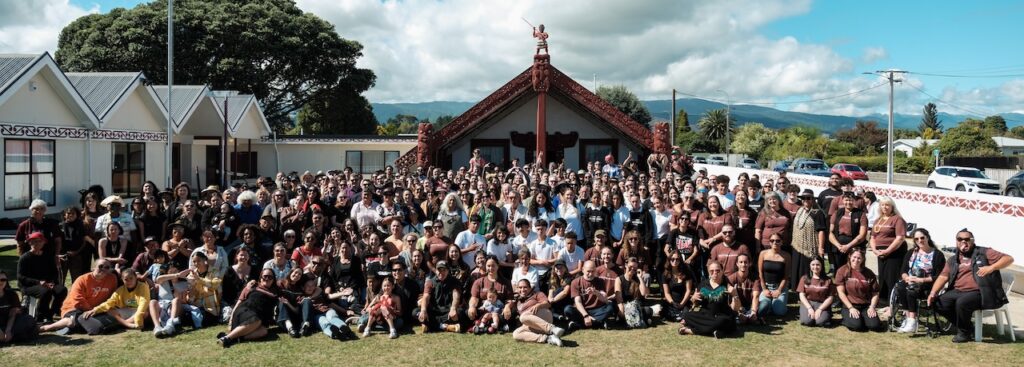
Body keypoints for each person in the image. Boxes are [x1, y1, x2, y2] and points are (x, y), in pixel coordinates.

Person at [927, 229, 1014, 343]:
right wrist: (933, 293)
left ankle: (964, 333)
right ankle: (967, 327)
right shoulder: (954, 259)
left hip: (980, 291)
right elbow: (943, 276)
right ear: (956, 241)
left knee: (962, 303)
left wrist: (991, 268)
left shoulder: (984, 252)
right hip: (958, 290)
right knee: (938, 303)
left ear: (973, 241)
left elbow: (1009, 259)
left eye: (967, 239)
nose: (964, 241)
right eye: (960, 239)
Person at [39, 260, 117, 335]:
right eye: (100, 266)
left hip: (95, 310)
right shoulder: (82, 279)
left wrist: (96, 310)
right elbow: (78, 299)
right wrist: (91, 310)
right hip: (75, 308)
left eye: (107, 267)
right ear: (93, 268)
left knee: (97, 320)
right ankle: (47, 327)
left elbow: (113, 296)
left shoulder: (112, 279)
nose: (103, 269)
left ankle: (71, 327)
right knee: (74, 320)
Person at [893, 228, 946, 333]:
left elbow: (939, 276)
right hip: (910, 280)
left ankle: (912, 321)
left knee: (911, 289)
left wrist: (921, 280)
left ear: (927, 237)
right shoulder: (911, 252)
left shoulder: (937, 255)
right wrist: (906, 278)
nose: (920, 240)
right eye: (916, 239)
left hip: (927, 283)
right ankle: (908, 318)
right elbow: (903, 270)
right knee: (901, 286)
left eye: (922, 238)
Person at [218, 268, 281, 347]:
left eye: (270, 277)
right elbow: (240, 301)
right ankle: (227, 338)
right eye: (265, 276)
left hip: (260, 316)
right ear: (260, 278)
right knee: (256, 321)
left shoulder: (275, 292)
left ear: (273, 279)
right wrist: (231, 319)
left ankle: (236, 338)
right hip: (245, 310)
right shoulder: (253, 286)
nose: (267, 279)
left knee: (263, 331)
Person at [79, 269, 150, 334]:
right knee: (110, 310)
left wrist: (138, 320)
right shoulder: (121, 290)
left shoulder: (143, 287)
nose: (129, 281)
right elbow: (109, 302)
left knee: (144, 313)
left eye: (131, 278)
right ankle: (127, 325)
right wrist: (94, 310)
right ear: (122, 280)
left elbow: (143, 304)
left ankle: (119, 324)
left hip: (139, 311)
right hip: (127, 312)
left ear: (135, 277)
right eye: (126, 279)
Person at [678, 261, 738, 338]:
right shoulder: (703, 284)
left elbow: (736, 308)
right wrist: (693, 298)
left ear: (722, 271)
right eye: (711, 271)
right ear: (708, 272)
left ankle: (692, 330)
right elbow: (696, 304)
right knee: (686, 315)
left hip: (721, 316)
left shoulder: (727, 284)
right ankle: (718, 331)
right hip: (705, 315)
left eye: (717, 270)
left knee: (723, 321)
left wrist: (735, 295)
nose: (715, 273)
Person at [18, 232, 68, 322]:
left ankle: (50, 313)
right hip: (29, 285)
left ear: (43, 243)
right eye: (34, 241)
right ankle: (40, 316)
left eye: (40, 241)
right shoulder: (25, 258)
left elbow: (54, 272)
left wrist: (52, 282)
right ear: (30, 243)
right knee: (45, 292)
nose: (37, 243)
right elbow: (21, 277)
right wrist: (38, 282)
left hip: (46, 283)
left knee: (62, 290)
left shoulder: (47, 256)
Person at [869, 196, 907, 306]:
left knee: (892, 276)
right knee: (883, 276)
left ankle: (893, 301)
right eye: (882, 205)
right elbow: (872, 237)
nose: (884, 207)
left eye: (887, 205)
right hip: (880, 252)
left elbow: (900, 237)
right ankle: (883, 299)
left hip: (894, 252)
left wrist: (888, 251)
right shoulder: (878, 220)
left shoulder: (897, 219)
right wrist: (875, 250)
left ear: (892, 207)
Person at [836, 249, 882, 332]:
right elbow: (841, 292)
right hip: (850, 305)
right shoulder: (842, 271)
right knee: (856, 326)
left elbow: (875, 292)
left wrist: (872, 307)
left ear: (863, 259)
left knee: (875, 326)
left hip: (865, 305)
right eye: (854, 257)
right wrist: (850, 308)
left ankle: (863, 318)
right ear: (850, 257)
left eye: (859, 258)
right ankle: (847, 319)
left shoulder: (869, 273)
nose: (856, 260)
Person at [511, 279, 565, 347]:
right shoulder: (518, 301)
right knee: (516, 334)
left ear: (530, 288)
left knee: (523, 317)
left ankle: (552, 329)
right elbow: (509, 304)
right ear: (517, 289)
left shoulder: (537, 294)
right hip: (533, 324)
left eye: (525, 287)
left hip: (544, 316)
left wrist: (538, 305)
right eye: (520, 287)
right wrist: (507, 307)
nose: (522, 289)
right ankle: (548, 338)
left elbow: (548, 304)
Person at [416, 260, 466, 333]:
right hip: (435, 311)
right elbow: (426, 296)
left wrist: (453, 308)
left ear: (448, 271)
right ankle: (446, 327)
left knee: (461, 313)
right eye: (439, 270)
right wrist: (423, 310)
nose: (441, 272)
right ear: (436, 270)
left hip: (448, 311)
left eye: (444, 270)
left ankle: (430, 325)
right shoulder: (430, 282)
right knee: (416, 312)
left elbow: (456, 296)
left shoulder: (455, 281)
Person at [791, 189, 826, 283]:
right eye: (803, 198)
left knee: (806, 269)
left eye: (808, 198)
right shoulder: (800, 210)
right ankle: (796, 288)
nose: (805, 200)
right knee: (796, 268)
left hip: (810, 247)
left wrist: (821, 248)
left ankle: (808, 289)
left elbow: (821, 231)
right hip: (797, 245)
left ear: (813, 200)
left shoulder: (817, 213)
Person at [566, 260, 614, 331]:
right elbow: (578, 302)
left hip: (597, 309)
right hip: (582, 310)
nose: (591, 274)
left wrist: (596, 292)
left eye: (593, 271)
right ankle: (598, 323)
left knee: (611, 307)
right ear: (583, 270)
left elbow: (604, 299)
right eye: (588, 271)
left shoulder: (600, 281)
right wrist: (586, 316)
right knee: (568, 309)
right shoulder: (575, 282)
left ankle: (579, 324)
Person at [828, 192, 868, 272]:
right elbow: (831, 232)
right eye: (846, 200)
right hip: (838, 246)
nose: (848, 202)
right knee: (839, 270)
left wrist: (848, 246)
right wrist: (838, 246)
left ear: (854, 201)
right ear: (843, 200)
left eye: (850, 200)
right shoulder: (837, 212)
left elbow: (862, 234)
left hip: (854, 246)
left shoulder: (861, 214)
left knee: (854, 269)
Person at [1, 270, 39, 344]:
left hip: (9, 324)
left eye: (3, 279)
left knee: (29, 320)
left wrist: (8, 330)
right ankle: (12, 337)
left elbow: (13, 313)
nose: (1, 282)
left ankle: (8, 337)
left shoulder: (11, 294)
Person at [797, 256, 835, 327]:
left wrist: (820, 309)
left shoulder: (828, 280)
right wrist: (809, 308)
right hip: (808, 303)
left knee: (821, 322)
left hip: (822, 303)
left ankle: (827, 316)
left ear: (822, 266)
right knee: (806, 321)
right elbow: (801, 295)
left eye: (818, 265)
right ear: (810, 266)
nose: (815, 267)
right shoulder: (804, 278)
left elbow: (830, 298)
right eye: (813, 265)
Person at [662, 250, 694, 322]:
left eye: (677, 259)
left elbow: (688, 290)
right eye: (672, 259)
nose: (675, 261)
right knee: (668, 314)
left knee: (686, 315)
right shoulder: (665, 274)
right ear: (669, 260)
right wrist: (672, 303)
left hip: (684, 301)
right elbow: (666, 293)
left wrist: (682, 304)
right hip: (671, 302)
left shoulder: (686, 272)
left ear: (680, 260)